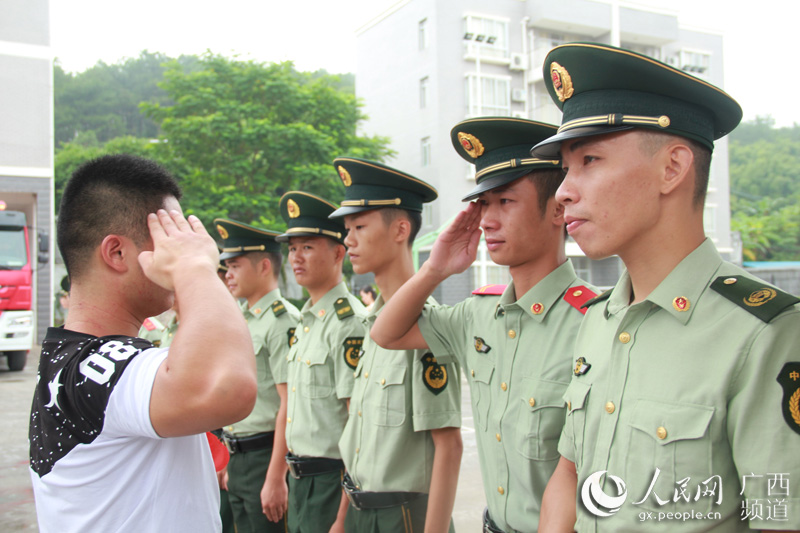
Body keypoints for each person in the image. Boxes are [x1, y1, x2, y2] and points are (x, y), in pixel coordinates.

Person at [530, 43, 800, 532]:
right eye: (565, 168)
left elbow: (778, 518)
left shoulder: (765, 333)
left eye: (589, 159)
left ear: (672, 168)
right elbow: (569, 472)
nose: (565, 190)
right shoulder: (600, 318)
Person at [371, 118, 596, 533]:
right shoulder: (478, 314)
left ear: (559, 211)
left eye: (505, 202)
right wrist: (434, 270)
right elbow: (386, 334)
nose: (488, 221)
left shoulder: (595, 321)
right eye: (483, 205)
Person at [28, 154, 257, 532]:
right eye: (167, 238)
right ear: (117, 253)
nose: (178, 249)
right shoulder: (97, 365)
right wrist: (195, 267)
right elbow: (227, 387)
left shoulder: (72, 361)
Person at [329, 157, 462, 532]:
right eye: (346, 228)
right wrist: (342, 518)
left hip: (402, 517)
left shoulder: (424, 327)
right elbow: (357, 437)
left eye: (359, 226)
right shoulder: (372, 322)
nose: (347, 240)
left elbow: (449, 447)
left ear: (400, 229)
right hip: (360, 510)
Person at [276, 191, 367, 533]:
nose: (296, 258)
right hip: (300, 480)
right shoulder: (307, 319)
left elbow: (357, 426)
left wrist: (343, 515)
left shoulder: (348, 323)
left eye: (308, 247)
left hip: (332, 482)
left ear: (338, 253)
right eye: (292, 248)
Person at [213, 218, 301, 533]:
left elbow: (288, 403)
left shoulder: (282, 322)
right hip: (238, 454)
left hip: (266, 455)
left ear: (264, 266)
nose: (229, 275)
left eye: (235, 266)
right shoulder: (244, 319)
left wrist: (276, 476)